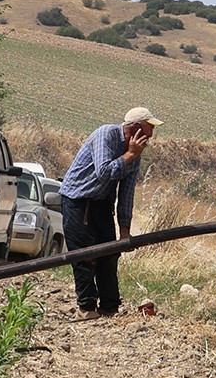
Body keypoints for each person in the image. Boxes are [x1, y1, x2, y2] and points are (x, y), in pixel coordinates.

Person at [59, 106, 161, 319]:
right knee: (83, 255)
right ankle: (86, 307)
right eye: (148, 130)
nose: (150, 136)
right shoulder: (106, 134)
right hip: (79, 199)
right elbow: (104, 172)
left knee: (109, 253)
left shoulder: (136, 152)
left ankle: (109, 307)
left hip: (102, 202)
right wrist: (130, 155)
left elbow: (127, 192)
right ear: (134, 128)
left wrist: (125, 231)